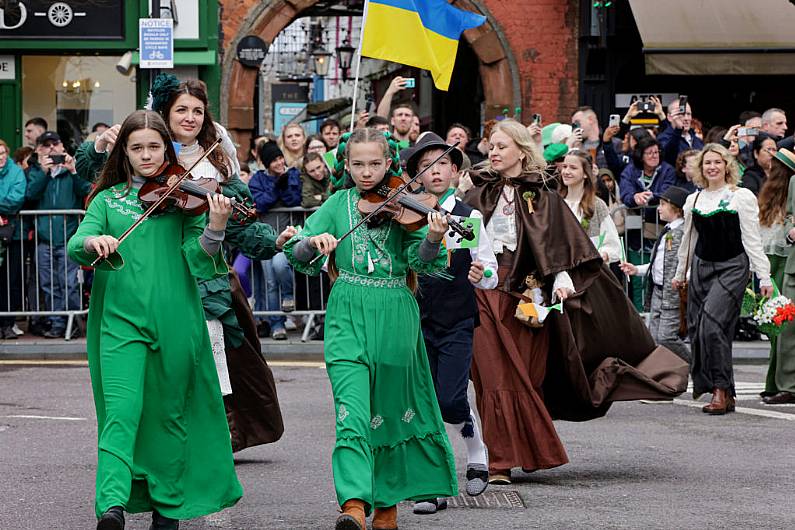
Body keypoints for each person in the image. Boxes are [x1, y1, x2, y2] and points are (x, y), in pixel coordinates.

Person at [464, 119, 687, 484]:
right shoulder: (479, 194)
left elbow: (561, 245)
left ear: (522, 150)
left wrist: (562, 280)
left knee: (525, 375)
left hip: (528, 296)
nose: (493, 152)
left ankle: (526, 451)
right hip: (484, 294)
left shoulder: (544, 195)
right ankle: (499, 461)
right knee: (491, 374)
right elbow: (463, 242)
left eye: (502, 146)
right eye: (491, 146)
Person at [76, 73, 287, 453]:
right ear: (165, 113)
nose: (190, 117)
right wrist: (98, 145)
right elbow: (92, 174)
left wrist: (277, 242)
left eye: (197, 111)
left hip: (207, 279)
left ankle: (217, 439)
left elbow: (243, 228)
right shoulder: (147, 151)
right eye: (181, 110)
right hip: (153, 280)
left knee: (213, 360)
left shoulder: (217, 163)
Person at [66, 110, 242, 530]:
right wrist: (94, 239)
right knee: (121, 412)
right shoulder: (107, 200)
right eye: (137, 147)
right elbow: (77, 244)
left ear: (167, 149)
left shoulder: (184, 202)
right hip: (120, 323)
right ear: (124, 153)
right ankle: (111, 505)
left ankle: (167, 511)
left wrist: (216, 226)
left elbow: (201, 262)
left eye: (154, 146)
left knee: (169, 419)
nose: (146, 155)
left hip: (176, 322)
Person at [283, 128, 458, 530]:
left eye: (375, 164)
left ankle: (386, 504)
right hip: (347, 311)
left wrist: (432, 235)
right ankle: (354, 503)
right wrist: (313, 244)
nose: (367, 172)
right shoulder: (336, 204)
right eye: (358, 164)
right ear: (345, 164)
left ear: (389, 164)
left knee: (390, 415)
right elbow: (297, 251)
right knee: (352, 414)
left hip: (395, 313)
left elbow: (427, 261)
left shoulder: (407, 205)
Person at [402, 133, 498, 514]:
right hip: (417, 318)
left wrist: (482, 273)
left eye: (442, 163)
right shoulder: (409, 216)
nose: (435, 171)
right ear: (418, 176)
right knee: (424, 405)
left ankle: (477, 450)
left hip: (457, 317)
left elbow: (488, 267)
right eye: (426, 166)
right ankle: (433, 485)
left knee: (450, 398)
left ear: (456, 171)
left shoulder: (467, 216)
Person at [673, 144, 773, 415]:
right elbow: (688, 240)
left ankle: (720, 389)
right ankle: (719, 388)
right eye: (707, 163)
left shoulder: (741, 196)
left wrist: (763, 274)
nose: (712, 167)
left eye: (717, 162)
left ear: (727, 165)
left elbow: (752, 238)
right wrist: (680, 272)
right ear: (700, 168)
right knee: (697, 329)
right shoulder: (694, 200)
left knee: (712, 326)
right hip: (702, 268)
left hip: (733, 267)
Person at [25, 131, 92, 338]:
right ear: (39, 150)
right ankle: (57, 323)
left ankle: (72, 322)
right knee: (49, 284)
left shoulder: (72, 171)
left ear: (63, 147)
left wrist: (73, 171)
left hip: (67, 238)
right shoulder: (36, 171)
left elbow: (85, 191)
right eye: (46, 145)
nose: (51, 148)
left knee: (69, 283)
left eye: (55, 143)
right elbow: (30, 195)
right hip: (44, 240)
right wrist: (44, 172)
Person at [620, 186, 691, 363]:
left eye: (662, 204)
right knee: (654, 338)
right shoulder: (667, 230)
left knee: (667, 337)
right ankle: (665, 374)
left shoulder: (682, 233)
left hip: (671, 294)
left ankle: (695, 363)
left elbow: (685, 262)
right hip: (659, 292)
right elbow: (659, 263)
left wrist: (683, 279)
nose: (658, 208)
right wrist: (637, 270)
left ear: (676, 208)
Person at [248, 140, 301, 339]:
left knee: (280, 266)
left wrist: (284, 183)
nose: (279, 163)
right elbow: (259, 204)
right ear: (266, 163)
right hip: (265, 236)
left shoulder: (292, 174)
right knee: (270, 281)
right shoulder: (258, 179)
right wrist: (274, 188)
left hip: (287, 234)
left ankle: (288, 295)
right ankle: (276, 324)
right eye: (275, 160)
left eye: (281, 158)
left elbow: (293, 200)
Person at [757, 149, 795, 402]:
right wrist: (792, 229)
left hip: (780, 262)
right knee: (787, 328)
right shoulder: (794, 182)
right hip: (788, 264)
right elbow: (791, 215)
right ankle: (788, 385)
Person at [559, 150, 621, 264]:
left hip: (589, 273)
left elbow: (614, 245)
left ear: (585, 173)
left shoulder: (597, 205)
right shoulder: (556, 203)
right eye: (564, 166)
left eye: (573, 168)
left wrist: (602, 254)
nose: (566, 171)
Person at [0, 139, 27, 340]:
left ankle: (8, 323)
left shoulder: (16, 172)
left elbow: (14, 201)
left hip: (13, 235)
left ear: (7, 153)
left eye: (2, 153)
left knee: (10, 281)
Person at [658, 99, 704, 166]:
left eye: (688, 114)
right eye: (681, 114)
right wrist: (678, 130)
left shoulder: (697, 140)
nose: (686, 118)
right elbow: (669, 154)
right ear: (670, 117)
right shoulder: (663, 138)